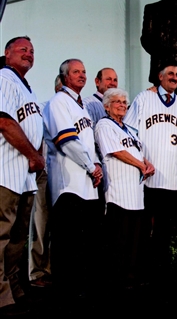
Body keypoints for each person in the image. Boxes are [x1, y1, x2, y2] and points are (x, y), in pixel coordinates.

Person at [124, 63, 177, 278]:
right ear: (160, 77)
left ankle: (160, 271)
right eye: (170, 74)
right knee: (143, 227)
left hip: (171, 177)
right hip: (147, 175)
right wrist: (139, 161)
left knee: (165, 228)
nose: (174, 77)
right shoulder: (144, 98)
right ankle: (140, 270)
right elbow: (130, 131)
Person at [43, 58, 103, 296]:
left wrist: (96, 165)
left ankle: (82, 290)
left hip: (87, 183)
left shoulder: (82, 107)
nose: (82, 75)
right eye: (76, 72)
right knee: (68, 244)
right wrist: (91, 166)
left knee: (85, 244)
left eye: (84, 72)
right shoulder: (59, 101)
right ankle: (66, 293)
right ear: (65, 76)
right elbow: (66, 140)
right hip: (69, 183)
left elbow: (88, 142)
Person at [0, 36, 44, 315]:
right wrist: (33, 155)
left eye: (31, 51)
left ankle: (14, 288)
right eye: (22, 49)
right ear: (7, 53)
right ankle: (1, 294)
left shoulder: (26, 87)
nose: (28, 53)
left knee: (18, 239)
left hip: (24, 176)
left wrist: (35, 156)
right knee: (2, 235)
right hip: (5, 170)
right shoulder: (4, 76)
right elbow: (3, 120)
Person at [94, 88, 154, 289]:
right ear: (107, 106)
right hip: (118, 193)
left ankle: (131, 277)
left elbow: (136, 151)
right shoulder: (104, 125)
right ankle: (116, 281)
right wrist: (140, 165)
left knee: (133, 240)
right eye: (117, 101)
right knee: (119, 239)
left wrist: (148, 163)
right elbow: (116, 151)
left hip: (136, 194)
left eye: (124, 102)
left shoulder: (128, 129)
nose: (122, 105)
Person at [28, 76, 63, 289]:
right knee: (40, 223)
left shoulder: (73, 111)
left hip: (63, 175)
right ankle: (37, 272)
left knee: (58, 224)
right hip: (43, 173)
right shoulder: (44, 108)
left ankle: (53, 269)